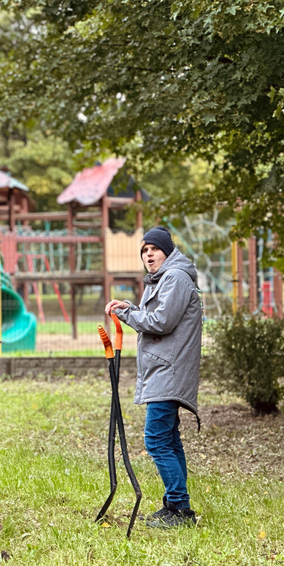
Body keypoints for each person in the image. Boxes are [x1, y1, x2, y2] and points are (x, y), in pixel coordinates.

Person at [105, 225, 202, 528]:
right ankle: (177, 505)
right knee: (169, 439)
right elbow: (157, 315)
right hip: (165, 369)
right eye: (144, 250)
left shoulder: (175, 278)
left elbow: (161, 321)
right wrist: (131, 307)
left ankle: (180, 509)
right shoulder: (163, 279)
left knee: (157, 440)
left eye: (154, 249)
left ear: (167, 252)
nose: (148, 255)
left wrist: (126, 315)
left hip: (168, 371)